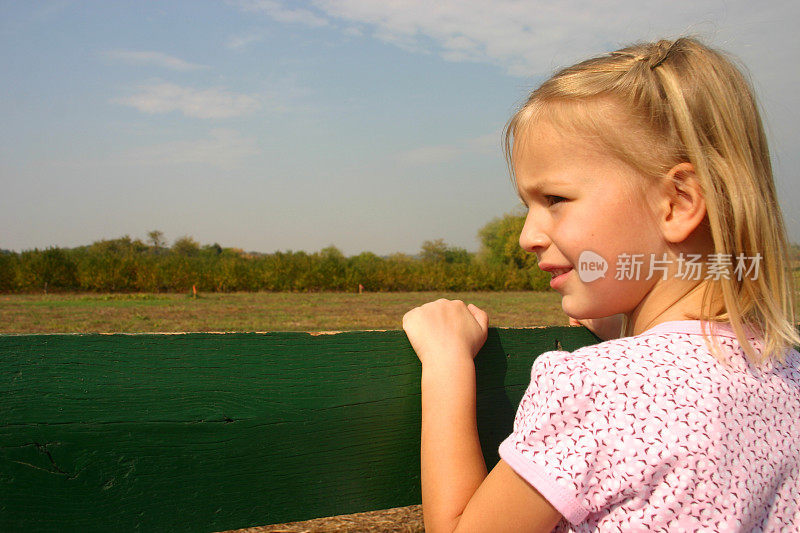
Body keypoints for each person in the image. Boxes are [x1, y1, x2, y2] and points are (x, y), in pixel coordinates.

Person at [402, 37, 800, 532]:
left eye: (555, 198)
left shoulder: (595, 388)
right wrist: (630, 329)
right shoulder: (786, 372)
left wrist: (446, 362)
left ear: (676, 202)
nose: (528, 236)